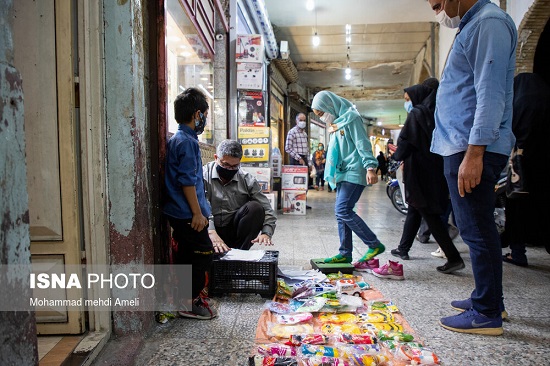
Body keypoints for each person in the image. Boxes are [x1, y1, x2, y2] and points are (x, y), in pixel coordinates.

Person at [427, 0, 517, 335]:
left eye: (438, 4)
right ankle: (490, 300)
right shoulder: (475, 24)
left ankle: (487, 311)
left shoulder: (487, 24)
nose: (438, 12)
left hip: (471, 146)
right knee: (477, 227)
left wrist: (475, 152)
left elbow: (490, 92)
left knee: (476, 229)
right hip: (463, 145)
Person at [388, 79, 465, 274]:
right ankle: (403, 248)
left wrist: (395, 156)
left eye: (408, 98)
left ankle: (453, 257)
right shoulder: (438, 112)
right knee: (416, 207)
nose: (408, 102)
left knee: (428, 213)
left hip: (419, 170)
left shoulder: (417, 113)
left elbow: (406, 141)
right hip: (435, 168)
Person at [310, 91, 385, 266]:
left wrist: (370, 167)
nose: (322, 118)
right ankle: (345, 253)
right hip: (343, 172)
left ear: (329, 106)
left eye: (321, 113)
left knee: (343, 210)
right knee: (340, 214)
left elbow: (362, 143)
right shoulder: (337, 123)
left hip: (355, 170)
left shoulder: (352, 118)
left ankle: (373, 244)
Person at [163, 87, 217, 320]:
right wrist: (197, 213)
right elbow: (187, 181)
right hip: (186, 213)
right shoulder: (187, 142)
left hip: (180, 210)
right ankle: (190, 302)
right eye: (204, 113)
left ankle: (186, 299)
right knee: (202, 253)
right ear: (197, 114)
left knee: (187, 254)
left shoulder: (181, 139)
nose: (204, 118)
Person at [501, 73, 550, 266]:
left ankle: (518, 253)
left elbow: (512, 134)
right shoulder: (546, 101)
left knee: (518, 210)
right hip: (545, 169)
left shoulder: (519, 104)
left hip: (523, 170)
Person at [203, 139, 277, 251]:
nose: (229, 169)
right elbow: (203, 207)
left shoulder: (247, 179)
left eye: (234, 166)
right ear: (215, 158)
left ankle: (239, 253)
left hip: (233, 229)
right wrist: (211, 231)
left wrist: (266, 233)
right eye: (225, 165)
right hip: (208, 228)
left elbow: (267, 209)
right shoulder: (203, 176)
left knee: (255, 208)